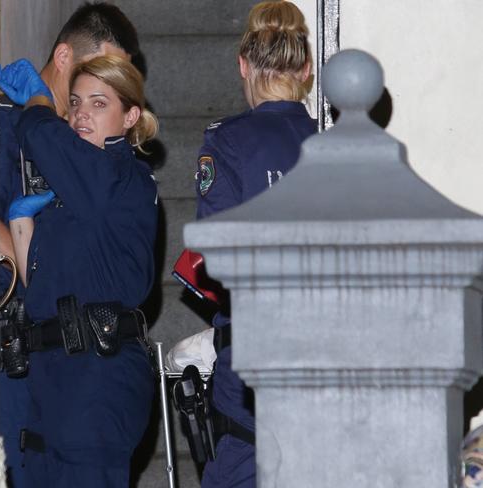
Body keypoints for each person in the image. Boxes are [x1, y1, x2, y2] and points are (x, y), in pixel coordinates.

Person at [0, 54, 159, 487]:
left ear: (131, 117)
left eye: (99, 103)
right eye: (75, 102)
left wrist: (37, 101)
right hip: (55, 375)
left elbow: (46, 140)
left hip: (97, 377)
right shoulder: (77, 191)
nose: (82, 113)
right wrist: (21, 221)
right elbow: (40, 287)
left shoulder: (121, 176)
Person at [193, 2, 317, 487]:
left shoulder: (227, 142)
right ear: (307, 69)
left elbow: (214, 263)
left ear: (242, 65)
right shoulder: (339, 148)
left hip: (254, 374)